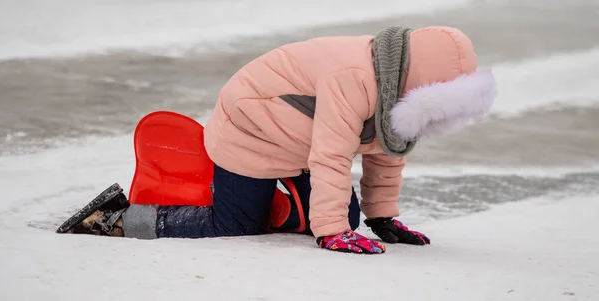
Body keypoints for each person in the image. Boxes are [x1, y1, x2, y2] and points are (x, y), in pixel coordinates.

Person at [56, 26, 497, 255]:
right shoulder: (357, 79)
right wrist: (331, 235)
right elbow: (332, 153)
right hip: (250, 131)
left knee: (347, 215)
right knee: (235, 225)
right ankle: (116, 218)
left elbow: (385, 150)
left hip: (297, 139)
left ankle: (282, 203)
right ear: (420, 81)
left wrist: (382, 219)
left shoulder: (396, 85)